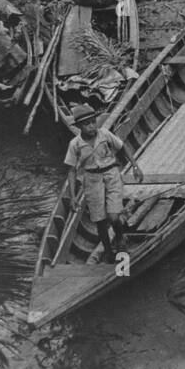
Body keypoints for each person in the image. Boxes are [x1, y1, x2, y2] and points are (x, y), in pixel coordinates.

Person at [63, 103, 143, 264]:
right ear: (79, 127)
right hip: (92, 181)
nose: (92, 126)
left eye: (93, 122)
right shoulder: (75, 144)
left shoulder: (105, 134)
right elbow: (71, 170)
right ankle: (108, 251)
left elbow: (122, 148)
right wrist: (72, 197)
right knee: (99, 220)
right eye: (86, 124)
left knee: (114, 216)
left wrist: (135, 166)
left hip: (111, 175)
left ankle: (120, 239)